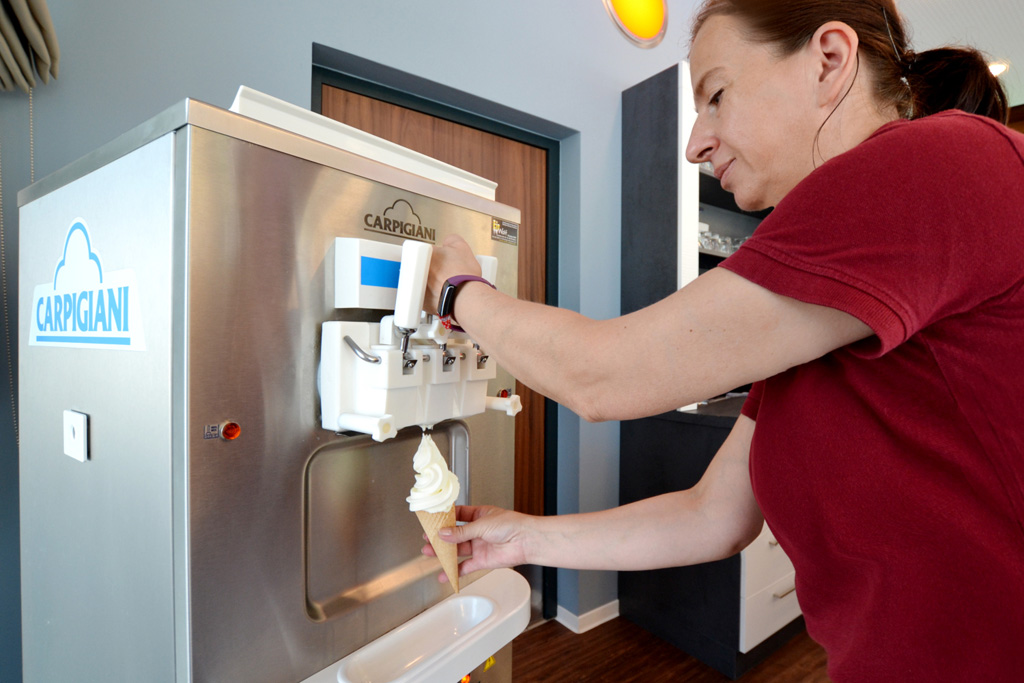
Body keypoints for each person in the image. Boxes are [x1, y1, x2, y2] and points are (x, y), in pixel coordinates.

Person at [422, 1, 1024, 680]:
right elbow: (712, 514)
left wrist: (458, 292)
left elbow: (602, 374)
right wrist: (521, 537)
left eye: (715, 95)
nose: (695, 144)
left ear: (829, 61)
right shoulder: (813, 317)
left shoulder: (939, 159)